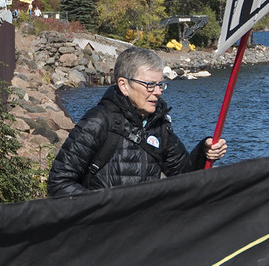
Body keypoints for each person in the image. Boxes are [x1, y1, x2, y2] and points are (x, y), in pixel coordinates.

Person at [46, 47, 224, 197]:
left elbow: (184, 176)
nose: (158, 92)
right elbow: (59, 183)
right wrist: (102, 208)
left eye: (160, 85)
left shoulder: (159, 125)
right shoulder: (98, 121)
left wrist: (204, 151)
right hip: (104, 231)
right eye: (150, 85)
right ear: (124, 85)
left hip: (144, 229)